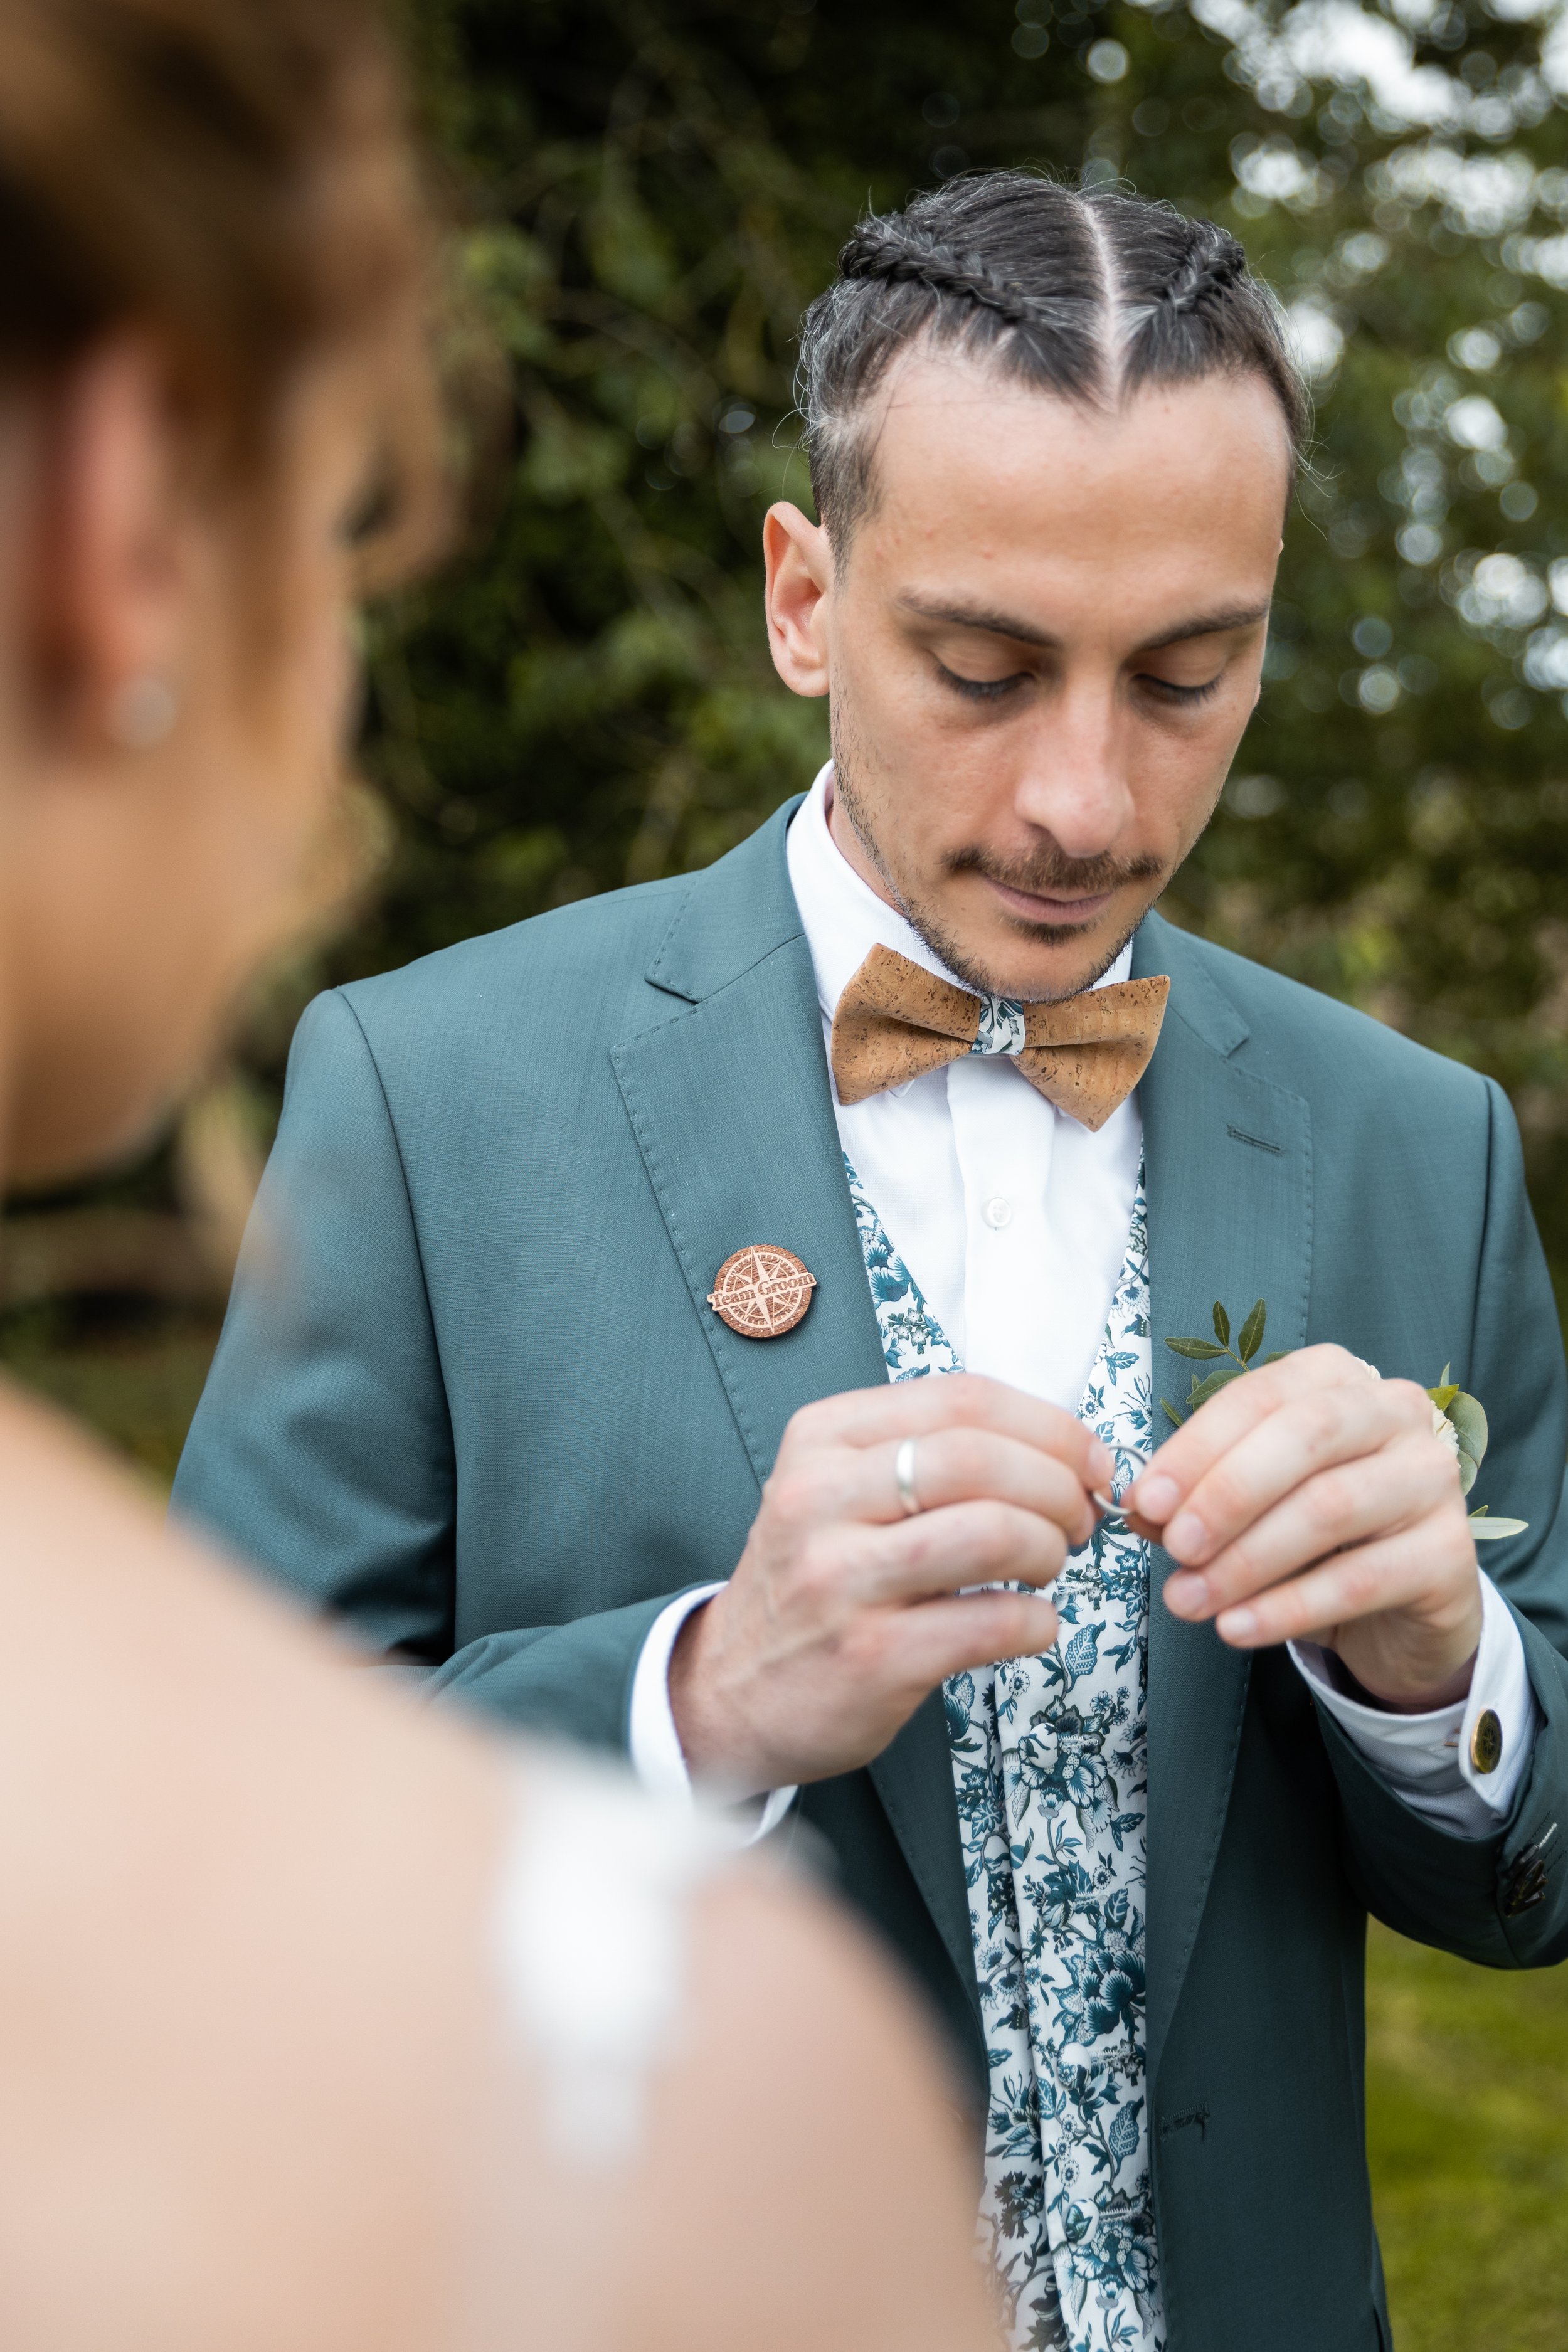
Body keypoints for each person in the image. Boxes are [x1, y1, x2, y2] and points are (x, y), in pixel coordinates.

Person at [174, 169, 1568, 2352]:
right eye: (984, 668)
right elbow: (191, 1865)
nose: (1085, 804)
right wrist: (700, 1701)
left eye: (1187, 676)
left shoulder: (1419, 1148)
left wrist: (1436, 1669)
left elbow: (1531, 1868)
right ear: (805, 600)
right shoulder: (429, 1094)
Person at [0, 4, 997, 2346]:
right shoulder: (658, 2091)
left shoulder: (1399, 1132)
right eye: (357, 509)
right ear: (133, 515)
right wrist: (704, 1695)